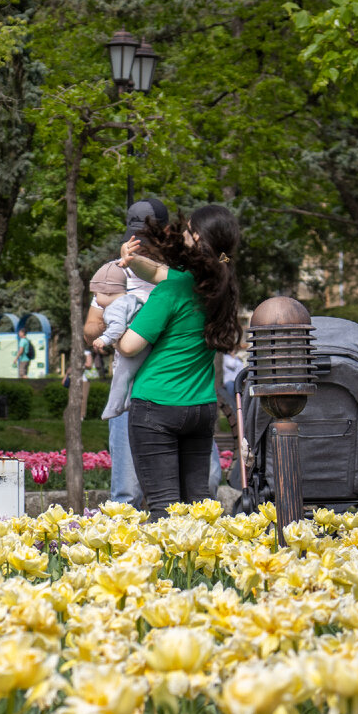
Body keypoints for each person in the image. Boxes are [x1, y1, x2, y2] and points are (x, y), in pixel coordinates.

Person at [117, 204, 242, 518]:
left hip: (157, 406)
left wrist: (114, 328)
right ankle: (201, 565)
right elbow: (157, 272)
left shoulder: (172, 291)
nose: (183, 234)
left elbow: (130, 346)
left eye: (187, 230)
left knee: (163, 509)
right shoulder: (221, 289)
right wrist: (131, 261)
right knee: (198, 506)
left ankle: (168, 568)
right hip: (200, 409)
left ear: (196, 237)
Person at [85, 198, 168, 509]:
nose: (140, 246)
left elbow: (224, 260)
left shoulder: (178, 273)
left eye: (148, 238)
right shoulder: (113, 272)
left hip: (171, 385)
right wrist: (117, 316)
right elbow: (90, 330)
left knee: (207, 481)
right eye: (135, 238)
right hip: (130, 390)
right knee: (127, 492)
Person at [90, 260, 150, 427]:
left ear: (108, 292)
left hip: (133, 347)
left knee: (121, 377)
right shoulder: (131, 300)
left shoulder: (113, 308)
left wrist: (104, 339)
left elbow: (117, 328)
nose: (95, 299)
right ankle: (126, 402)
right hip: (146, 345)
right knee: (131, 378)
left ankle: (113, 407)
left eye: (96, 295)